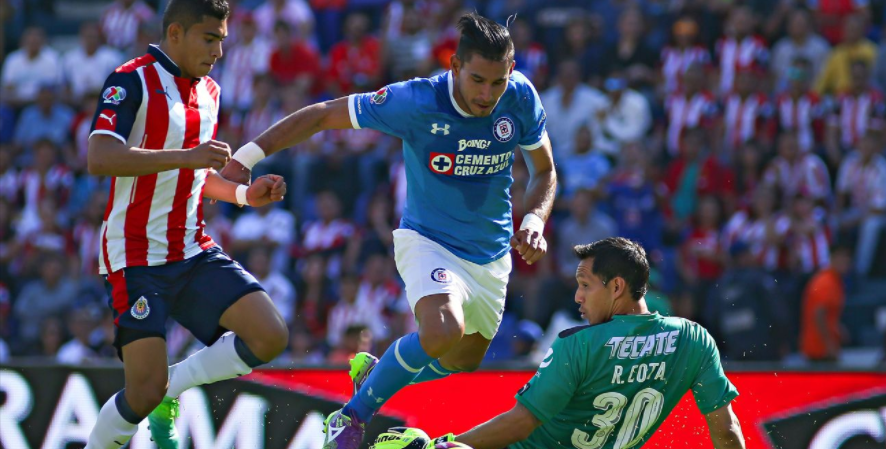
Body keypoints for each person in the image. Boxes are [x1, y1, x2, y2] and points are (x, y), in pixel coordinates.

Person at [222, 12, 556, 448]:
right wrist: (243, 159)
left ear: (510, 72)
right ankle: (348, 419)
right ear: (454, 66)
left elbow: (545, 171)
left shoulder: (521, 97)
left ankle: (376, 373)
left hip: (491, 252)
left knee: (464, 359)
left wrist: (533, 221)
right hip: (428, 241)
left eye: (497, 82)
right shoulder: (416, 101)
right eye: (477, 80)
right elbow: (323, 115)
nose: (487, 94)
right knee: (441, 330)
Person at [83, 0, 290, 448]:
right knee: (141, 392)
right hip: (135, 255)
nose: (218, 51)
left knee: (270, 334)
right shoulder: (130, 79)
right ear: (175, 33)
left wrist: (241, 195)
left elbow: (196, 177)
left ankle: (171, 390)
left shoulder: (210, 91)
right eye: (209, 38)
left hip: (191, 250)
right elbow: (99, 158)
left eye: (222, 40)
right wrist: (187, 157)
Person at [374, 238, 746, 449]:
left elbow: (521, 424)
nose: (578, 298)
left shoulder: (578, 345)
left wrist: (445, 446)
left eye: (585, 285)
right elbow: (726, 432)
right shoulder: (694, 340)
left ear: (616, 287)